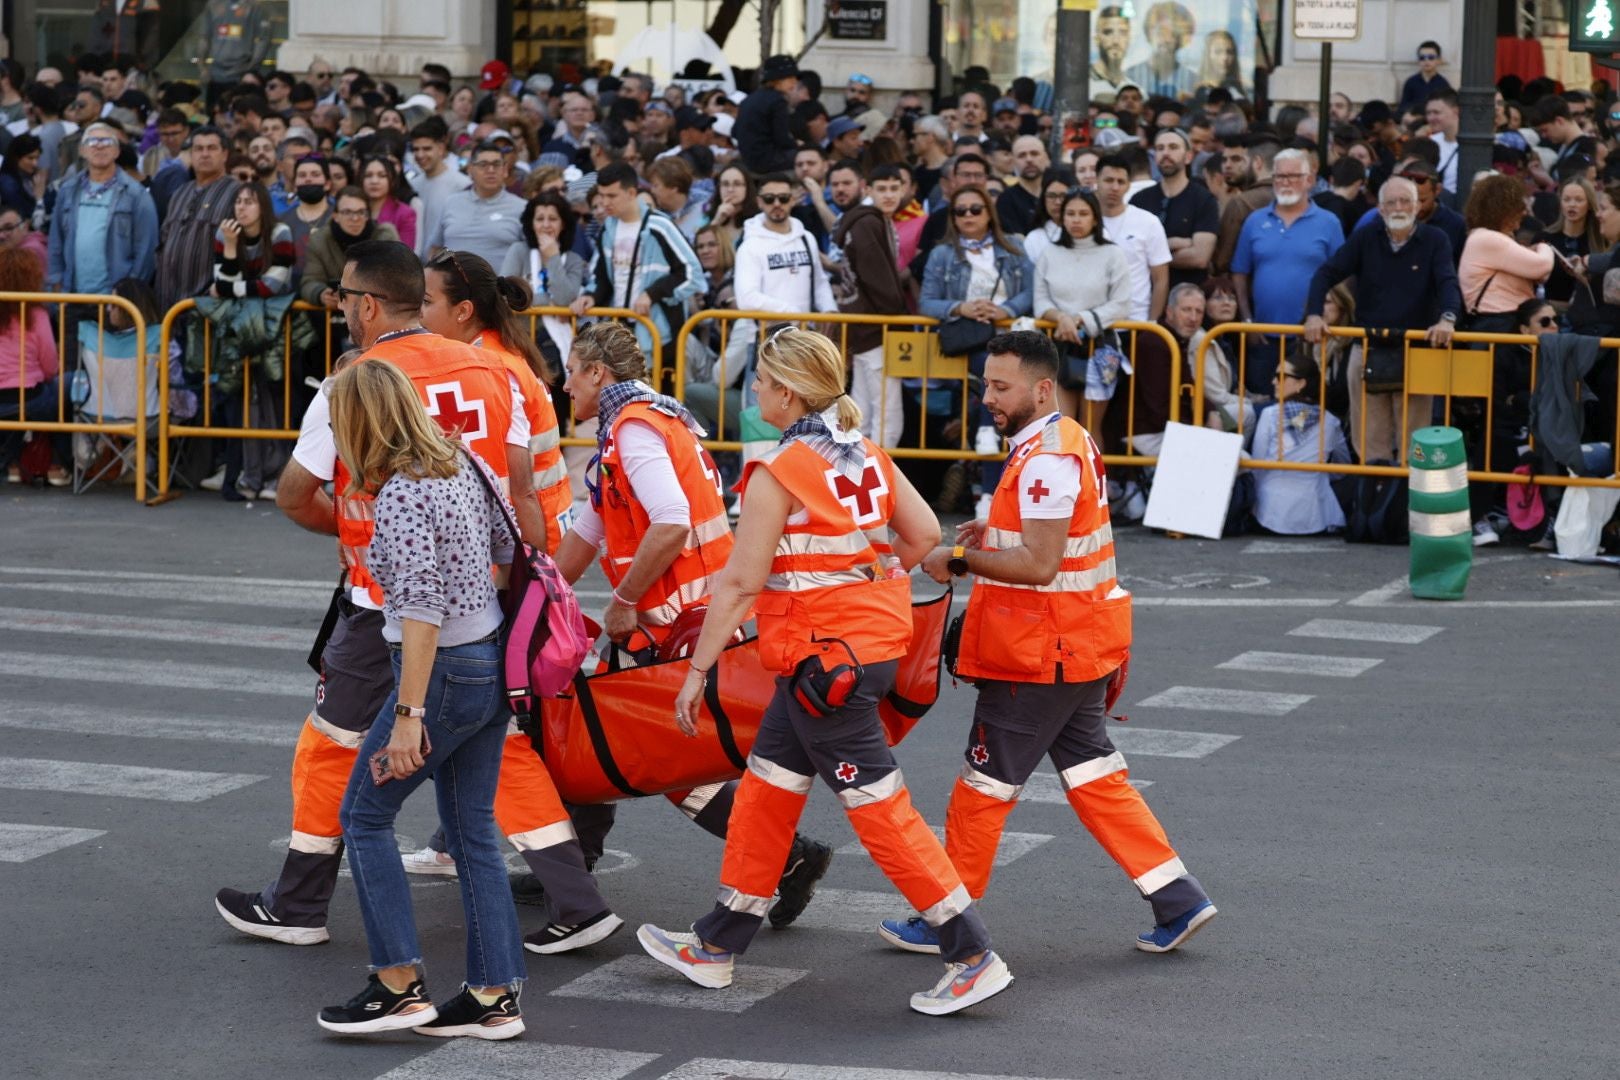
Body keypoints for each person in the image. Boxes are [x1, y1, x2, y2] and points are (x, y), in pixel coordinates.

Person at [640, 327, 1013, 1016]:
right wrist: (863, 586)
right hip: (860, 652)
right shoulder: (862, 451)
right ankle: (718, 942)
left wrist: (695, 671)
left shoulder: (780, 470)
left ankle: (970, 953)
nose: (753, 391)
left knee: (877, 810)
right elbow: (926, 534)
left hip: (820, 661)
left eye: (759, 382)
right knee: (766, 789)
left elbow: (739, 583)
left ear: (786, 391)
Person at [214, 239, 546, 949]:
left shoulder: (358, 386)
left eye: (341, 297)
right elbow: (521, 491)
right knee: (483, 793)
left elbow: (299, 497)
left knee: (342, 765)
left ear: (364, 305)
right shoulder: (497, 371)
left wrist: (367, 537)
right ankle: (533, 943)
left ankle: (337, 931)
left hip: (385, 603)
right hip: (489, 600)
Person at [878, 327, 1214, 955]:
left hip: (1039, 653)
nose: (988, 398)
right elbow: (1043, 542)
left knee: (982, 788)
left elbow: (1040, 563)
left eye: (1000, 388)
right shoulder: (1060, 440)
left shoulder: (1047, 455)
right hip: (1074, 645)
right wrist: (993, 530)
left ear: (1040, 387)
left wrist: (957, 558)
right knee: (1095, 775)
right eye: (986, 385)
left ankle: (947, 919)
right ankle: (1178, 897)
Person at [554, 321, 835, 927]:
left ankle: (788, 858)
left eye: (572, 370)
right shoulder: (641, 425)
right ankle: (572, 864)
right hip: (682, 619)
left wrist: (624, 598)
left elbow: (671, 522)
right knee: (600, 727)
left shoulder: (632, 431)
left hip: (681, 623)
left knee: (666, 763)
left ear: (598, 374)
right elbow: (591, 528)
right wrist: (543, 591)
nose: (565, 381)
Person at [315, 358, 526, 1039]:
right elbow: (505, 544)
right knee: (472, 832)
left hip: (441, 675)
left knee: (364, 816)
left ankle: (397, 984)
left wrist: (408, 717)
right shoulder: (463, 460)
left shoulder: (403, 493)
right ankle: (493, 994)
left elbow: (421, 611)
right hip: (492, 663)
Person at [1305, 175, 1459, 464]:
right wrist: (1314, 314)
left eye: (1405, 201)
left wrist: (1447, 319)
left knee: (1416, 445)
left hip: (1416, 351)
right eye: (1391, 202)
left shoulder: (1435, 239)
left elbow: (1448, 283)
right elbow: (1326, 273)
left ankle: (1408, 507)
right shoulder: (1366, 237)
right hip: (1368, 349)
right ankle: (1373, 506)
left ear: (1417, 207)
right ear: (1380, 208)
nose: (1398, 207)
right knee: (1369, 445)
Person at [571, 162, 706, 371]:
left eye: (612, 196)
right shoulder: (608, 227)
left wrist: (652, 294)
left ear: (631, 192)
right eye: (602, 195)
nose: (604, 202)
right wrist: (592, 295)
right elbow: (601, 277)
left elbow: (692, 273)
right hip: (618, 336)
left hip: (659, 336)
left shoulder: (660, 226)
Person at [1231, 149, 1345, 392]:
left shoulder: (1329, 222)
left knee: (1309, 409)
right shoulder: (1254, 221)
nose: (1285, 182)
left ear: (1309, 180)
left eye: (1293, 176)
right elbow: (1240, 272)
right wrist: (1247, 319)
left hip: (1312, 337)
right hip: (1263, 335)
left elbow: (1341, 278)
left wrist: (1327, 318)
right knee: (1263, 405)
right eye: (1279, 177)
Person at [832, 162, 911, 448]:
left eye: (894, 188)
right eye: (882, 189)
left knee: (861, 414)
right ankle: (876, 483)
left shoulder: (867, 220)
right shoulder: (869, 222)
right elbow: (877, 278)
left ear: (903, 190)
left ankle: (857, 481)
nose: (889, 195)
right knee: (886, 417)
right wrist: (897, 312)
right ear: (868, 190)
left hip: (862, 326)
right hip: (877, 327)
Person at [1246, 347, 1350, 534]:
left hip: (1269, 514)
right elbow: (1343, 466)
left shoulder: (1270, 415)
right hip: (1315, 516)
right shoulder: (1330, 421)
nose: (1273, 381)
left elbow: (1257, 463)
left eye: (1280, 376)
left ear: (1301, 383)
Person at [46, 121, 158, 296]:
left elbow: (146, 251)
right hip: (72, 295)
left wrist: (128, 293)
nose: (99, 146)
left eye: (106, 142)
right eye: (92, 142)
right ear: (82, 151)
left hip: (116, 301)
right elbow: (55, 242)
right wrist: (57, 283)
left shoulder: (136, 195)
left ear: (117, 151)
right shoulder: (67, 190)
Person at [0, 247, 67, 486]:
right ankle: (56, 465)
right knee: (65, 391)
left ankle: (13, 465)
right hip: (30, 397)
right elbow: (50, 366)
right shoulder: (36, 314)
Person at [499, 190, 587, 371]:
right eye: (540, 219)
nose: (546, 225)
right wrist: (548, 303)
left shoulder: (574, 260)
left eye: (553, 219)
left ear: (563, 224)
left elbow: (564, 300)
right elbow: (505, 296)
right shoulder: (518, 251)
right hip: (519, 340)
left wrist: (553, 257)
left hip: (556, 347)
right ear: (531, 223)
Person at [156, 126, 242, 310]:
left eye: (211, 148)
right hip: (168, 306)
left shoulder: (238, 192)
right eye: (198, 149)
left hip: (208, 306)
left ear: (225, 154)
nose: (204, 154)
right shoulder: (180, 193)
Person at [1457, 173, 1554, 334]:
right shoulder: (1487, 239)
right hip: (1498, 327)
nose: (1523, 212)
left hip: (1505, 323)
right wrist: (1545, 247)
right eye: (1517, 206)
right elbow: (1542, 266)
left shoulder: (1486, 238)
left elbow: (1541, 275)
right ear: (1501, 208)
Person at [1132, 127, 1218, 289]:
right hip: (1145, 297)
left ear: (1188, 156)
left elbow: (1199, 257)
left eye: (1173, 147)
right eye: (1160, 148)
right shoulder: (1139, 200)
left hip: (1188, 299)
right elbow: (1131, 253)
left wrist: (1151, 255)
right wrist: (1176, 243)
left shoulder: (1204, 200)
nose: (1165, 153)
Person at [427, 139, 527, 269]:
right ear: (470, 170)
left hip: (499, 287)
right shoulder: (451, 203)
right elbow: (434, 249)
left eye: (496, 164)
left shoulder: (522, 208)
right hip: (454, 287)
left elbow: (529, 256)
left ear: (505, 170)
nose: (490, 170)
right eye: (483, 164)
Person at [1095, 155, 1171, 322]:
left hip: (1136, 322)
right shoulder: (1083, 221)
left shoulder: (1148, 222)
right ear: (1096, 181)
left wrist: (1152, 323)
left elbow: (1161, 279)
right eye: (1108, 180)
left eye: (1121, 182)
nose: (1114, 187)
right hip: (1093, 322)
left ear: (1129, 185)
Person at [299, 187, 401, 312]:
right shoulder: (319, 240)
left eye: (361, 212)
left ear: (368, 215)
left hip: (377, 313)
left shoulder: (385, 237)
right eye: (347, 212)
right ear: (335, 216)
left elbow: (398, 279)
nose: (355, 218)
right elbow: (309, 281)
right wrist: (321, 294)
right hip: (333, 318)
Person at [408, 117, 471, 261]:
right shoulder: (413, 184)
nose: (420, 155)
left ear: (441, 148)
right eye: (416, 149)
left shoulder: (462, 184)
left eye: (427, 149)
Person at [1536, 177, 1604, 305]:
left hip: (1591, 314)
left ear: (1589, 204)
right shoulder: (1544, 238)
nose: (1571, 204)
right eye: (1566, 199)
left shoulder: (1600, 238)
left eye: (1578, 200)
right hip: (1551, 310)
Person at [736, 54, 799, 175]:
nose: (795, 82)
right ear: (777, 80)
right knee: (808, 156)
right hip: (767, 161)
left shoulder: (749, 99)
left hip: (747, 158)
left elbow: (735, 131)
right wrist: (797, 144)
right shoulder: (778, 101)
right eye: (790, 78)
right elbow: (782, 138)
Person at [1124, 2, 1198, 101]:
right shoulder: (1129, 77)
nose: (1166, 39)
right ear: (1148, 34)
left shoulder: (1192, 80)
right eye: (1161, 32)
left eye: (1173, 34)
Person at [360, 154, 419, 254]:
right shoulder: (354, 209)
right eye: (368, 175)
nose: (374, 181)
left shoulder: (405, 213)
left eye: (382, 175)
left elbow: (406, 255)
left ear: (392, 180)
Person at [995, 135, 1050, 237]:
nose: (1029, 159)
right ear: (1013, 161)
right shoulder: (1006, 200)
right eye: (1022, 155)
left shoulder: (1059, 194)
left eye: (1034, 154)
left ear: (1046, 158)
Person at [1397, 41, 1451, 119]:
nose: (1426, 61)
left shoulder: (1443, 84)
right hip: (1414, 122)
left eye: (1431, 57)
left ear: (1439, 60)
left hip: (1434, 123)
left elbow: (1446, 110)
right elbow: (1403, 107)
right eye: (1422, 58)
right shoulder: (1411, 82)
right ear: (1418, 61)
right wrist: (1408, 115)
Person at [1089, 7, 1133, 103]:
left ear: (1129, 38)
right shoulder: (1081, 85)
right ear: (1097, 39)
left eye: (1123, 33)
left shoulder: (1135, 90)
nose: (1116, 41)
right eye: (1108, 32)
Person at [1425, 90, 1461, 195]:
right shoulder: (1430, 142)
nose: (1431, 118)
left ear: (1456, 111)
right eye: (1428, 113)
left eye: (1436, 112)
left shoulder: (1474, 144)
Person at [1197, 29, 1245, 98]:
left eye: (1230, 52)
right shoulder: (1200, 92)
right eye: (1218, 52)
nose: (1224, 58)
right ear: (1207, 55)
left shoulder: (1236, 90)